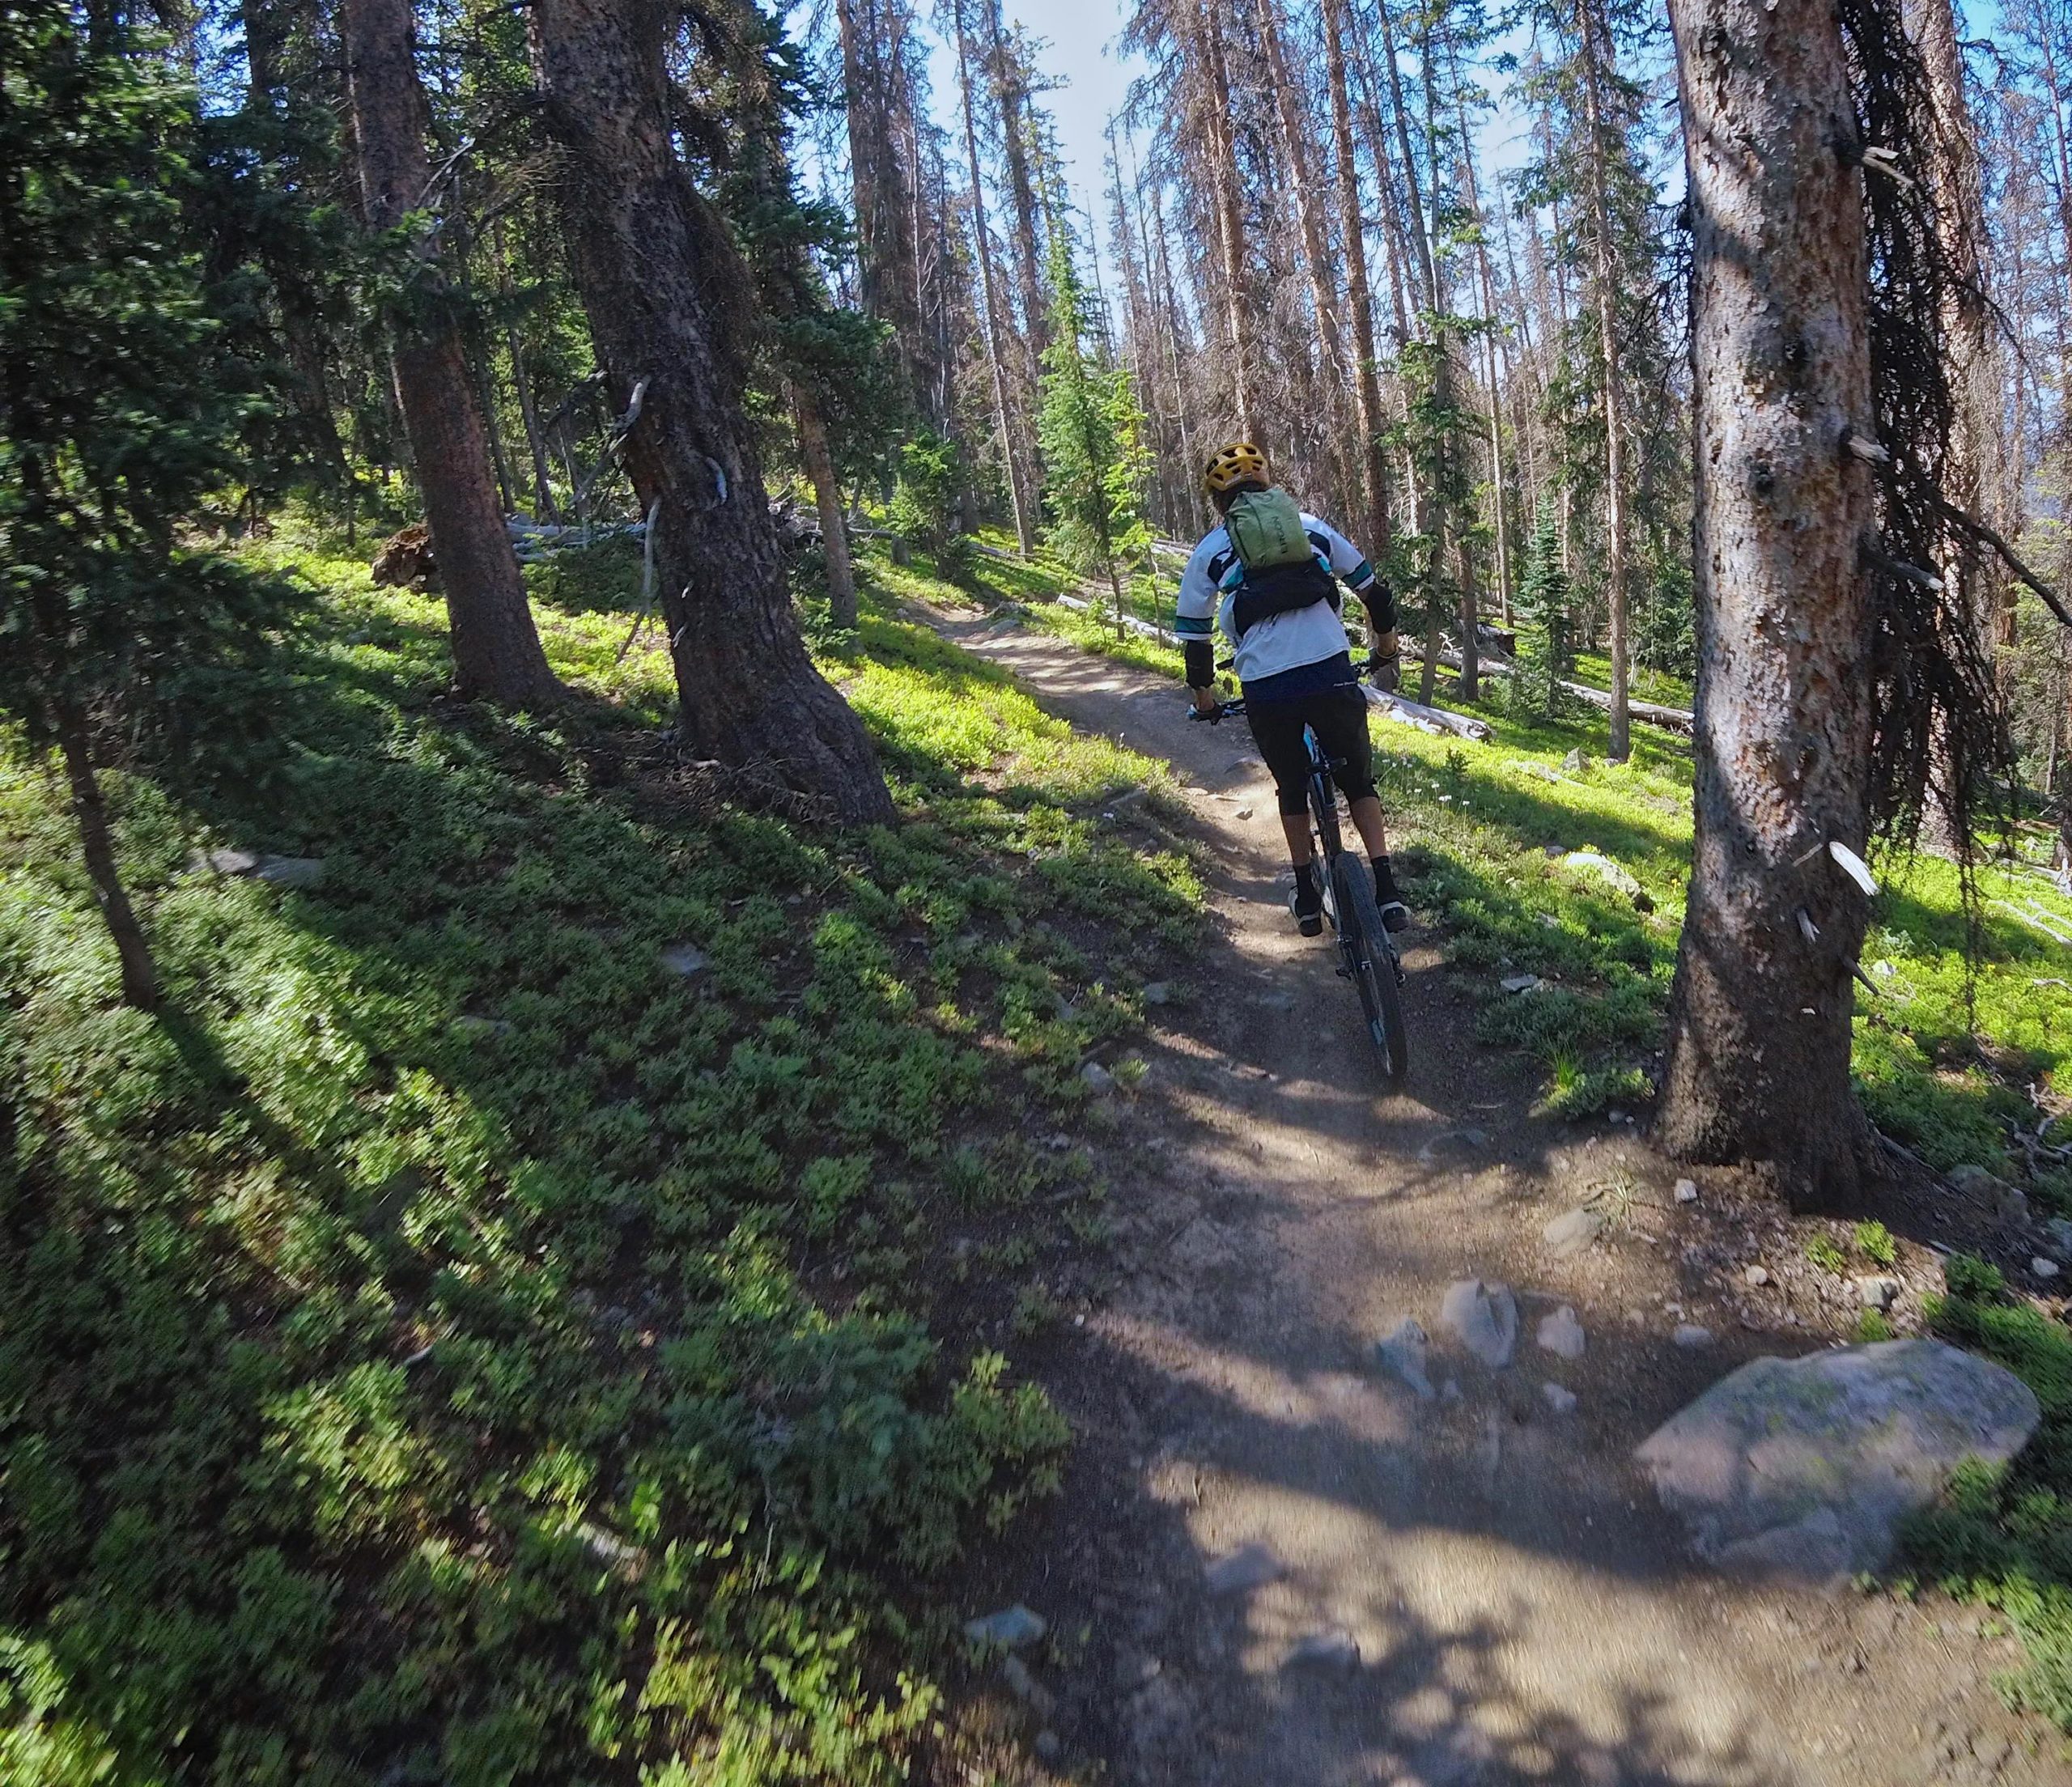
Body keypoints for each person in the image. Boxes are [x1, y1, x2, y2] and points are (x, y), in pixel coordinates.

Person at [1177, 441, 1409, 937]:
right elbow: (1374, 592)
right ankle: (1386, 889)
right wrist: (1386, 647)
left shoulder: (1210, 550)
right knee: (1359, 781)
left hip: (1267, 684)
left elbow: (1194, 635)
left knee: (1292, 784)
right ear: (1268, 486)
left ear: (1218, 503)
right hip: (1330, 670)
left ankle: (1306, 894)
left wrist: (1204, 696)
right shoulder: (1311, 528)